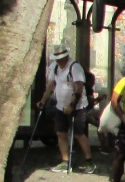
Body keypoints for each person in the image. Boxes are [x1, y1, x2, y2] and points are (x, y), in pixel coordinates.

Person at [36, 44, 96, 173]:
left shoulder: (75, 67)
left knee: (79, 134)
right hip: (60, 106)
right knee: (60, 133)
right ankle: (65, 161)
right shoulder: (54, 67)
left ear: (67, 57)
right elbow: (51, 86)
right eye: (57, 58)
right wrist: (43, 101)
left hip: (77, 106)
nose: (59, 61)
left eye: (61, 58)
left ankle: (89, 162)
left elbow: (79, 87)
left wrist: (72, 105)